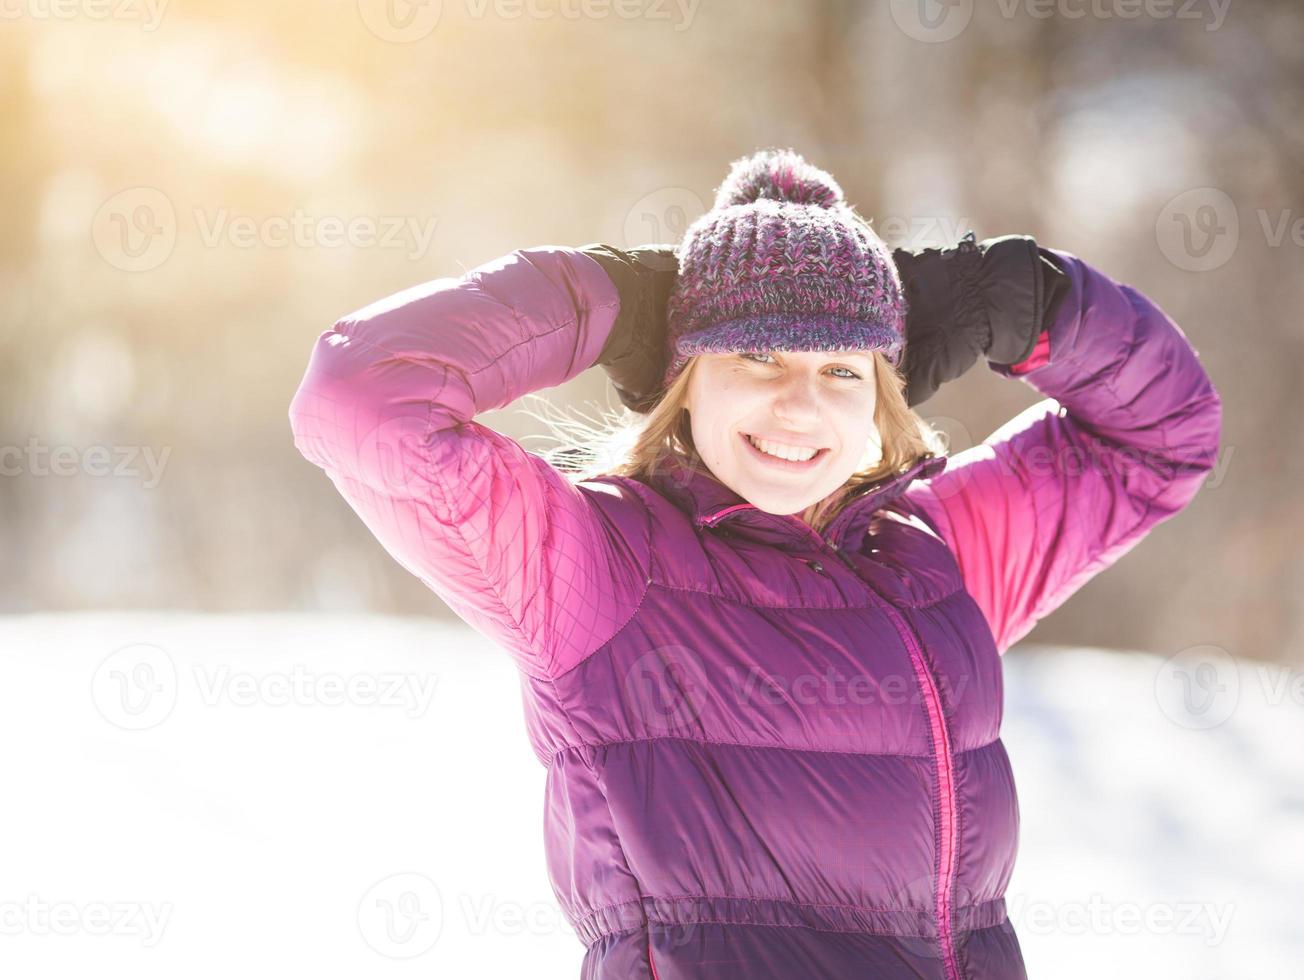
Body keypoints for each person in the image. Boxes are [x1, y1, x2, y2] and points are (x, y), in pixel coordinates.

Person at [287, 148, 1222, 979]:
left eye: (842, 369)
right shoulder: (594, 566)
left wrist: (1025, 301)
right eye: (757, 357)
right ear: (680, 377)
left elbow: (1162, 440)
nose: (799, 407)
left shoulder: (939, 562)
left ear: (887, 398)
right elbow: (361, 398)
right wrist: (606, 301)